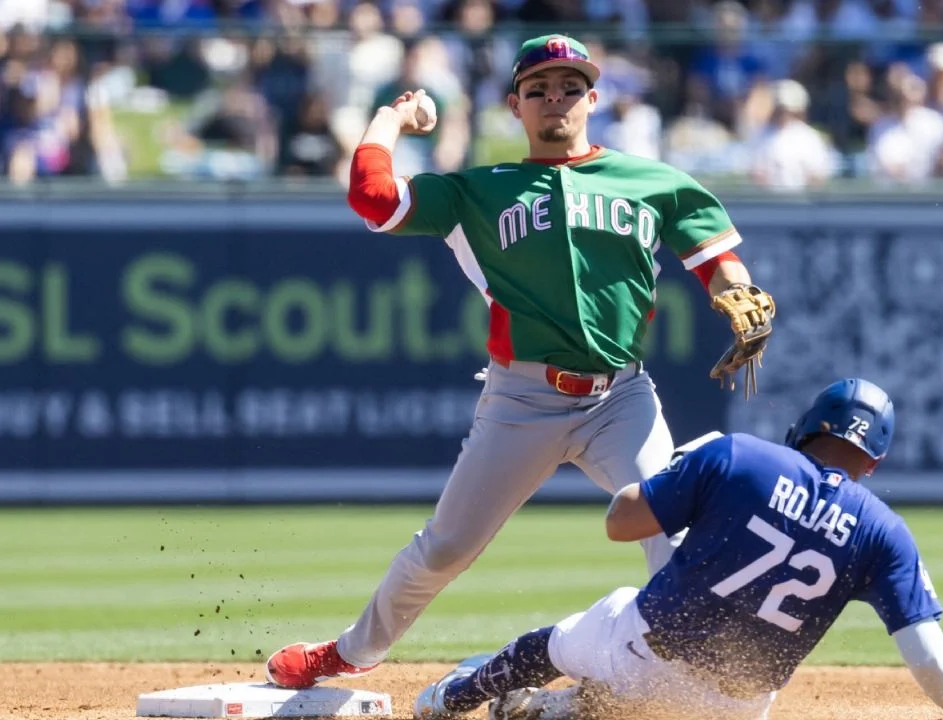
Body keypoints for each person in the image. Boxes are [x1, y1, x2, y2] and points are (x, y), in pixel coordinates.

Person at [264, 34, 775, 690]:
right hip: (523, 399)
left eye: (570, 87)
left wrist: (737, 291)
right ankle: (348, 653)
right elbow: (372, 197)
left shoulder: (655, 183)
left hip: (621, 398)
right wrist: (392, 117)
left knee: (672, 528)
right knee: (446, 547)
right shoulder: (478, 192)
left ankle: (698, 669)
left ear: (594, 99)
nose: (554, 98)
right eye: (538, 89)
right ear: (515, 106)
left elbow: (718, 262)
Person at [412, 378, 943, 720]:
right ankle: (554, 713)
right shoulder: (884, 531)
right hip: (737, 707)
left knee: (554, 643)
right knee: (633, 696)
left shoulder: (739, 455)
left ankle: (447, 700)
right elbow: (926, 654)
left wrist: (679, 469)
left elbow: (620, 523)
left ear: (807, 426)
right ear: (875, 462)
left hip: (640, 654)